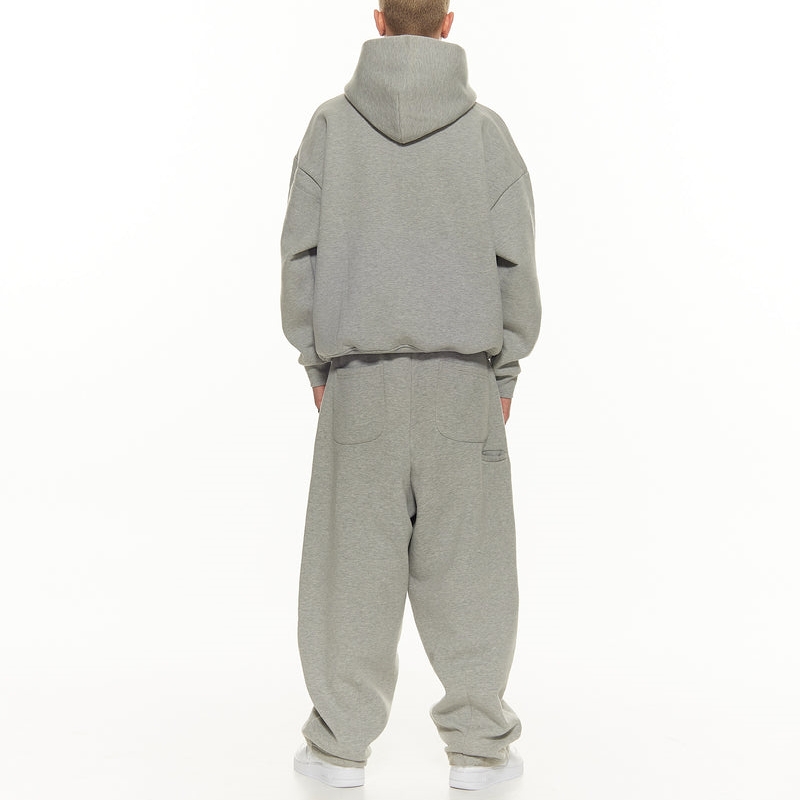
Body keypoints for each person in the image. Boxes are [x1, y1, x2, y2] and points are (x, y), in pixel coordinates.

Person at [280, 0, 541, 790]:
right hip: (462, 383)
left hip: (359, 383)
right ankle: (478, 751)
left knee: (348, 574)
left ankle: (337, 749)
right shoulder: (487, 134)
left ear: (379, 20)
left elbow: (300, 259)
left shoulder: (330, 128)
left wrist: (319, 366)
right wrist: (503, 371)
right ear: (448, 24)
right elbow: (514, 265)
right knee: (473, 570)